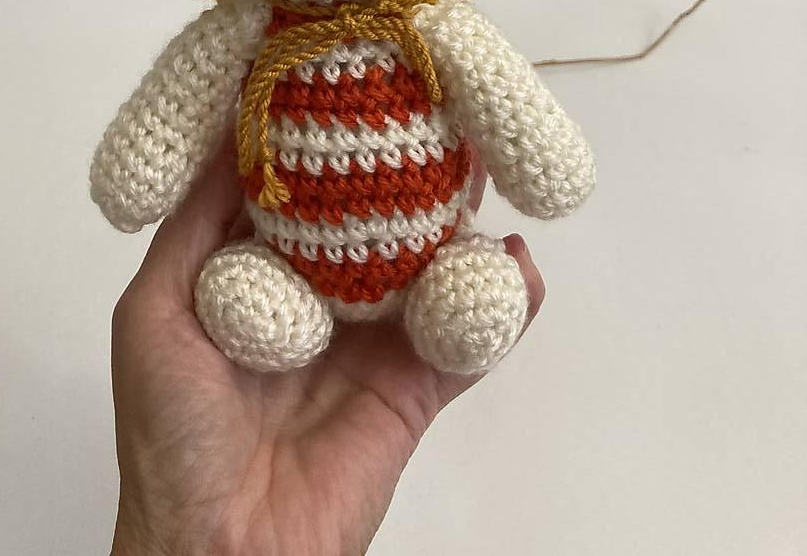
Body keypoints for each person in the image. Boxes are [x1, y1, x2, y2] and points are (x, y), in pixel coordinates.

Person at [107, 141, 545, 556]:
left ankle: (448, 291)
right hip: (291, 256)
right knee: (245, 302)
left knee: (469, 305)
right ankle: (284, 288)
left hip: (429, 248)